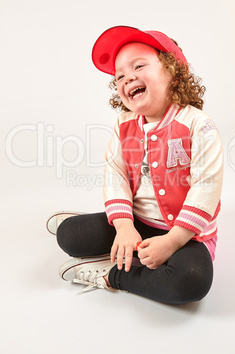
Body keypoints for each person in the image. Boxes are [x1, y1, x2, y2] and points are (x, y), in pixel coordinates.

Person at [46, 25, 223, 305]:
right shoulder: (124, 124)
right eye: (119, 76)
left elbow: (207, 187)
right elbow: (115, 173)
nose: (128, 77)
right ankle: (123, 235)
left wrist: (173, 241)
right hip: (138, 222)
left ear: (172, 71)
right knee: (70, 235)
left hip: (186, 234)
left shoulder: (198, 125)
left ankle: (114, 275)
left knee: (191, 281)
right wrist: (124, 226)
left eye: (139, 66)